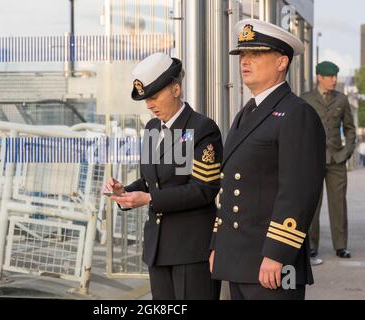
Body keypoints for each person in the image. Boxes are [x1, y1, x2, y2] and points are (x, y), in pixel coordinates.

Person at [209, 19, 326, 300]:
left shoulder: (297, 113)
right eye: (243, 56)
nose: (245, 62)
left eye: (256, 54)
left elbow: (298, 193)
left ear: (282, 62)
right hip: (238, 259)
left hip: (272, 262)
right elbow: (228, 189)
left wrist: (278, 254)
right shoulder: (247, 112)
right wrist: (217, 245)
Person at [103, 52, 223, 300]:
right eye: (146, 99)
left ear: (176, 89)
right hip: (159, 249)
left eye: (155, 97)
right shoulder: (152, 128)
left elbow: (202, 190)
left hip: (191, 250)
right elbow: (150, 182)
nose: (149, 105)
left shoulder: (201, 129)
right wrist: (123, 190)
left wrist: (148, 199)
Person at [301, 61, 357, 259]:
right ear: (319, 77)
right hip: (313, 161)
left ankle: (341, 246)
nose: (334, 80)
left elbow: (350, 129)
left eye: (335, 76)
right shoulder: (306, 99)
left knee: (338, 203)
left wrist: (346, 153)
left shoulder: (341, 100)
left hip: (336, 160)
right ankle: (311, 245)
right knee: (312, 204)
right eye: (330, 76)